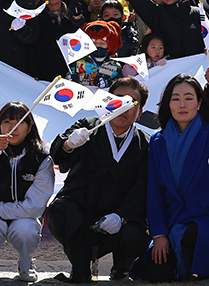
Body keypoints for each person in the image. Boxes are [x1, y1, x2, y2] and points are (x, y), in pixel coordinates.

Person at [47, 77, 150, 284]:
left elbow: (144, 187)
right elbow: (58, 154)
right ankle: (80, 268)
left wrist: (121, 216)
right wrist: (69, 144)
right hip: (82, 209)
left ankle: (122, 269)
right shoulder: (87, 127)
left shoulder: (146, 144)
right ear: (106, 102)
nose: (124, 106)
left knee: (136, 235)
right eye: (118, 98)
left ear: (139, 113)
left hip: (119, 216)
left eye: (132, 103)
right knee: (60, 211)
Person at [135, 74, 209, 282]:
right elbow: (154, 191)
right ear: (167, 104)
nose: (182, 104)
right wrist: (159, 234)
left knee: (195, 235)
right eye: (175, 98)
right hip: (174, 220)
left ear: (199, 102)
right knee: (156, 273)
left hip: (208, 217)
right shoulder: (158, 140)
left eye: (188, 98)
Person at [0, 101, 54, 282]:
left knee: (25, 230)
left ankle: (26, 263)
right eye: (7, 121)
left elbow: (35, 208)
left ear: (29, 127)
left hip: (21, 215)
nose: (13, 127)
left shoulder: (42, 157)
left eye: (20, 121)